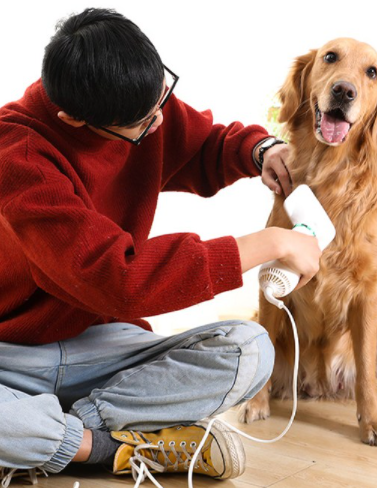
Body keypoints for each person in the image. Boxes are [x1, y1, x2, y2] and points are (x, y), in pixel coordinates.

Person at [0, 7, 322, 486]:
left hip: (100, 345)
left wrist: (260, 151)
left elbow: (202, 145)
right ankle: (103, 445)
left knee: (249, 348)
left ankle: (48, 430)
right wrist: (271, 241)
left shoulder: (135, 101)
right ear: (73, 119)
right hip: (13, 354)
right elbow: (120, 279)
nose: (158, 122)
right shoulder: (17, 155)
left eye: (160, 102)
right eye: (142, 122)